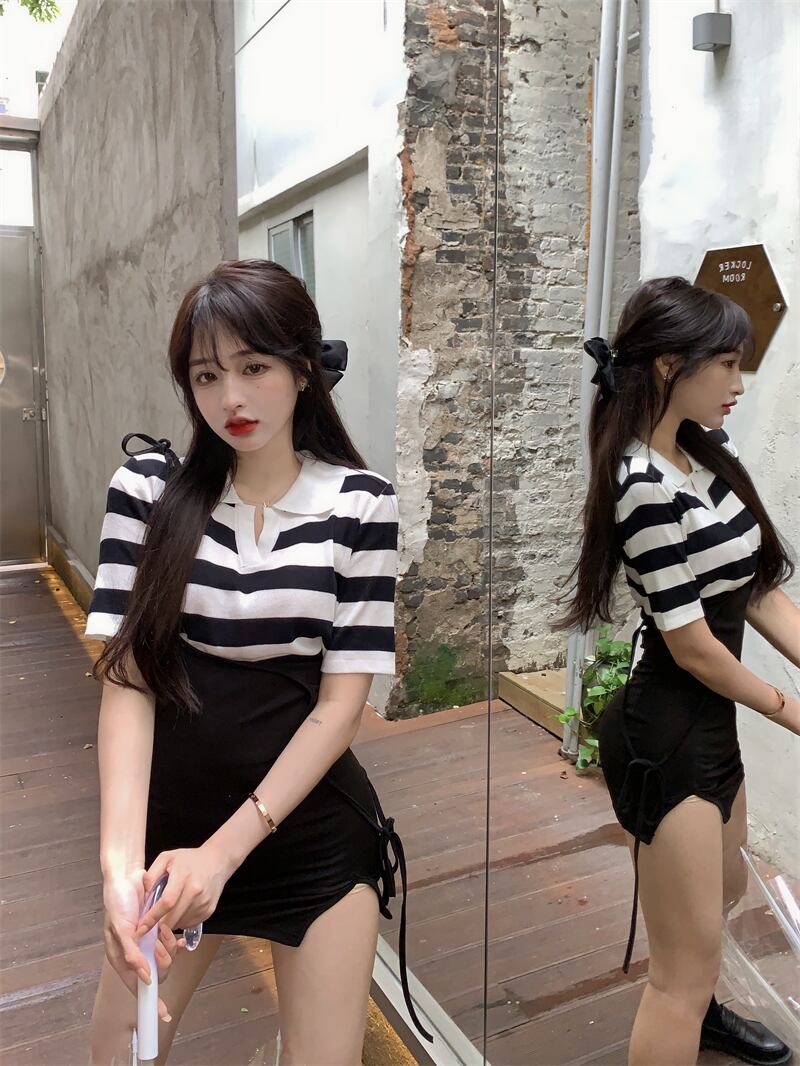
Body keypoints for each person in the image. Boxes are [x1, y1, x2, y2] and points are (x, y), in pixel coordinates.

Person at [85, 260, 432, 1065]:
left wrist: (225, 853)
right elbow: (128, 681)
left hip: (308, 829)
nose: (231, 399)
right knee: (117, 1053)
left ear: (303, 370)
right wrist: (119, 868)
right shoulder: (149, 491)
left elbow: (340, 707)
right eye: (207, 375)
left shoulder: (359, 503)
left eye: (254, 368)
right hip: (173, 838)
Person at [560, 276, 799, 1066]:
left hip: (710, 725)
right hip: (666, 734)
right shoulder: (641, 487)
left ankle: (704, 1017)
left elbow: (756, 588)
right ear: (669, 365)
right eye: (726, 364)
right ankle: (691, 1010)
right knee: (679, 972)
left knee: (718, 898)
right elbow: (693, 645)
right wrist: (791, 709)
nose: (738, 383)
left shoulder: (703, 456)